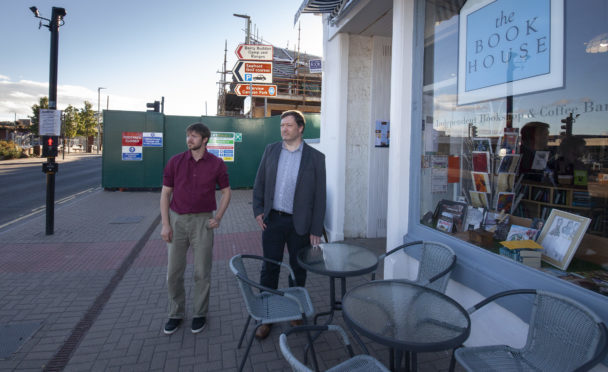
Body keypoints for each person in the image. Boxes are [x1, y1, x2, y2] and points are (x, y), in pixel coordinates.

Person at [252, 110, 326, 339]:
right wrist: (258, 210)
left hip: (300, 224)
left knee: (298, 269)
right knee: (269, 268)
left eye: (289, 125)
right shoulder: (271, 150)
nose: (284, 129)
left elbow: (320, 196)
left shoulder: (315, 157)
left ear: (300, 128)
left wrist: (316, 229)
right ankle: (267, 315)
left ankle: (295, 310)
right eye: (282, 125)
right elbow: (260, 182)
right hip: (273, 220)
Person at [160, 122, 231, 335]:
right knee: (173, 273)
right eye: (188, 136)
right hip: (177, 221)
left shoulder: (217, 164)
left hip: (203, 222)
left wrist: (217, 217)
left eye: (194, 136)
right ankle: (176, 313)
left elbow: (227, 192)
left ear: (205, 139)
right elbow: (165, 194)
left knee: (202, 272)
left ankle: (199, 313)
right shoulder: (175, 162)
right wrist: (165, 224)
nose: (189, 139)